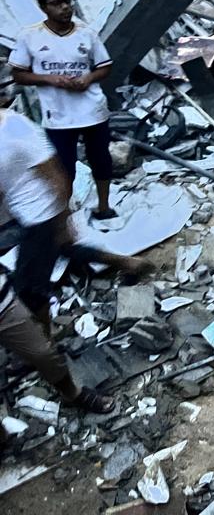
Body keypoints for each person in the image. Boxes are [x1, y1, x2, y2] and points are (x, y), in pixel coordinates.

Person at [0, 110, 119, 419]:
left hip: (41, 216)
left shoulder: (14, 126)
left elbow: (56, 172)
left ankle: (45, 346)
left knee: (32, 289)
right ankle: (127, 263)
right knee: (53, 266)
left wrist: (63, 217)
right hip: (27, 219)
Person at [11, 0, 117, 219]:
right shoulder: (29, 37)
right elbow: (18, 74)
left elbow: (105, 66)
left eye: (68, 1)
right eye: (57, 3)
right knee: (63, 167)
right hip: (58, 116)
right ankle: (64, 217)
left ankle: (104, 207)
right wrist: (51, 79)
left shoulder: (86, 34)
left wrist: (89, 78)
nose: (65, 7)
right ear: (43, 7)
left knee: (101, 160)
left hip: (93, 111)